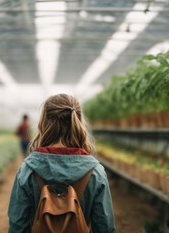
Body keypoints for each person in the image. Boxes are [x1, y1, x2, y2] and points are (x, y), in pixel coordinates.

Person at [8, 94, 116, 233]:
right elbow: (105, 228)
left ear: (44, 123)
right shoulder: (96, 173)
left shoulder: (26, 172)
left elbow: (17, 227)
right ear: (78, 121)